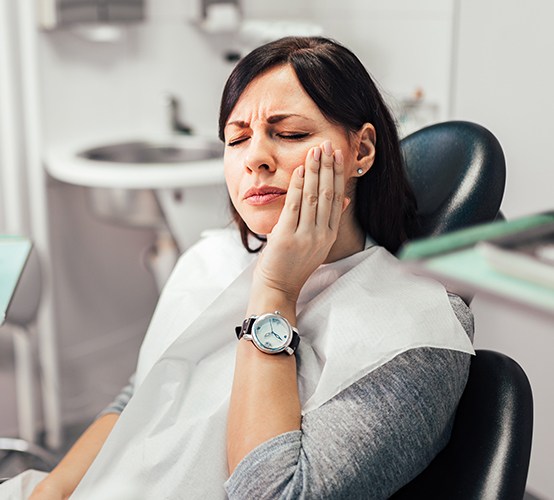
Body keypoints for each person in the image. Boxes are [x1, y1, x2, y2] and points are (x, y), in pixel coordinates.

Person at [21, 36, 473, 499]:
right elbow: (141, 397)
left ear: (361, 151)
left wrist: (276, 292)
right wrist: (51, 490)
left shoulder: (420, 331)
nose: (255, 157)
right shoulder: (209, 263)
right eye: (237, 139)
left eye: (292, 134)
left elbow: (273, 494)